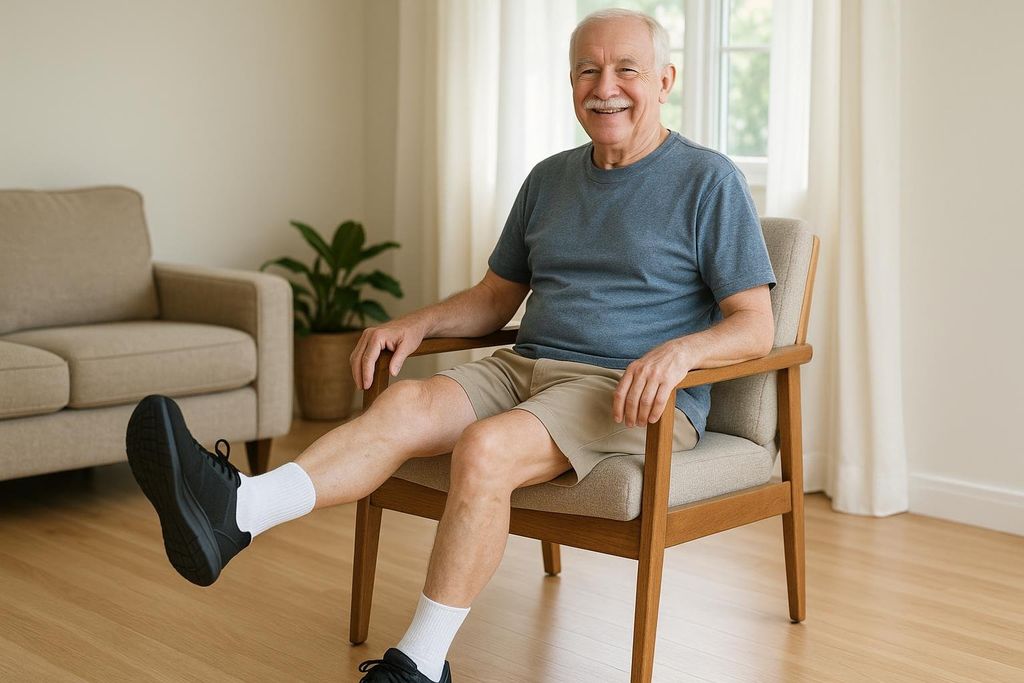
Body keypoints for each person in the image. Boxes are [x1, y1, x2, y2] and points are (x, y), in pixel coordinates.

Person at [124, 8, 776, 683]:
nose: (604, 86)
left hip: (628, 394)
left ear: (665, 79)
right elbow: (497, 298)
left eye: (626, 69)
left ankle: (420, 663)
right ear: (571, 82)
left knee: (486, 449)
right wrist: (419, 323)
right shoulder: (549, 179)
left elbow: (755, 323)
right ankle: (238, 510)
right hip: (527, 366)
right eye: (587, 70)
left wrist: (681, 354)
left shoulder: (708, 180)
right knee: (404, 405)